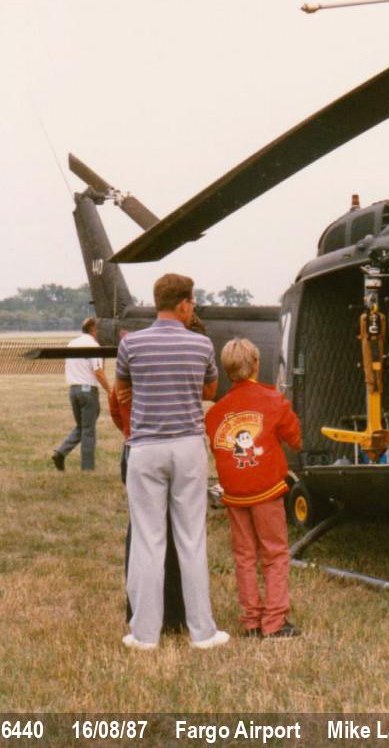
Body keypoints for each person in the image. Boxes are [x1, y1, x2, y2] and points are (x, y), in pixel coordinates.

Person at [116, 273, 228, 650]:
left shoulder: (131, 344)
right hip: (188, 446)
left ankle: (144, 633)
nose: (192, 308)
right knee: (191, 539)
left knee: (148, 539)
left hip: (146, 447)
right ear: (182, 304)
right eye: (192, 302)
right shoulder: (201, 344)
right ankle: (202, 631)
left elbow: (122, 391)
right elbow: (209, 390)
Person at [206, 338, 303, 638]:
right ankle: (274, 622)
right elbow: (295, 438)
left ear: (226, 370)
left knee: (244, 556)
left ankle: (251, 621)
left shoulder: (215, 413)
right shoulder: (273, 400)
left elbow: (217, 448)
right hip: (266, 491)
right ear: (257, 365)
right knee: (274, 553)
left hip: (234, 493)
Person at [109, 328, 186, 633]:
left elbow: (116, 413)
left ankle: (139, 610)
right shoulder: (163, 382)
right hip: (164, 449)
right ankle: (174, 612)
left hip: (134, 449)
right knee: (175, 530)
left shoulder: (124, 384)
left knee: (141, 531)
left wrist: (130, 432)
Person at [51, 317, 110, 472]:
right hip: (88, 391)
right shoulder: (94, 346)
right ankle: (87, 468)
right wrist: (110, 391)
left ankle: (61, 453)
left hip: (73, 390)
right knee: (88, 431)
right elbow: (98, 372)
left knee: (82, 426)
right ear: (93, 330)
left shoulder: (72, 343)